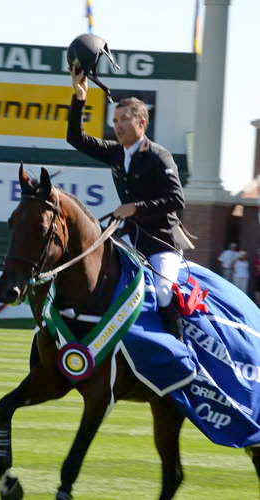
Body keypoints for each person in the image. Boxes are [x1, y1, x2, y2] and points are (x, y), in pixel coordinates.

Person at [67, 68, 192, 340]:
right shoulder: (115, 152)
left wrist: (135, 207)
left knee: (162, 292)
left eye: (125, 119)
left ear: (142, 123)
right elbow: (75, 139)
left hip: (162, 244)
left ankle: (180, 352)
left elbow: (176, 200)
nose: (118, 125)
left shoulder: (159, 156)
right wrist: (79, 97)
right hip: (130, 240)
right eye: (115, 121)